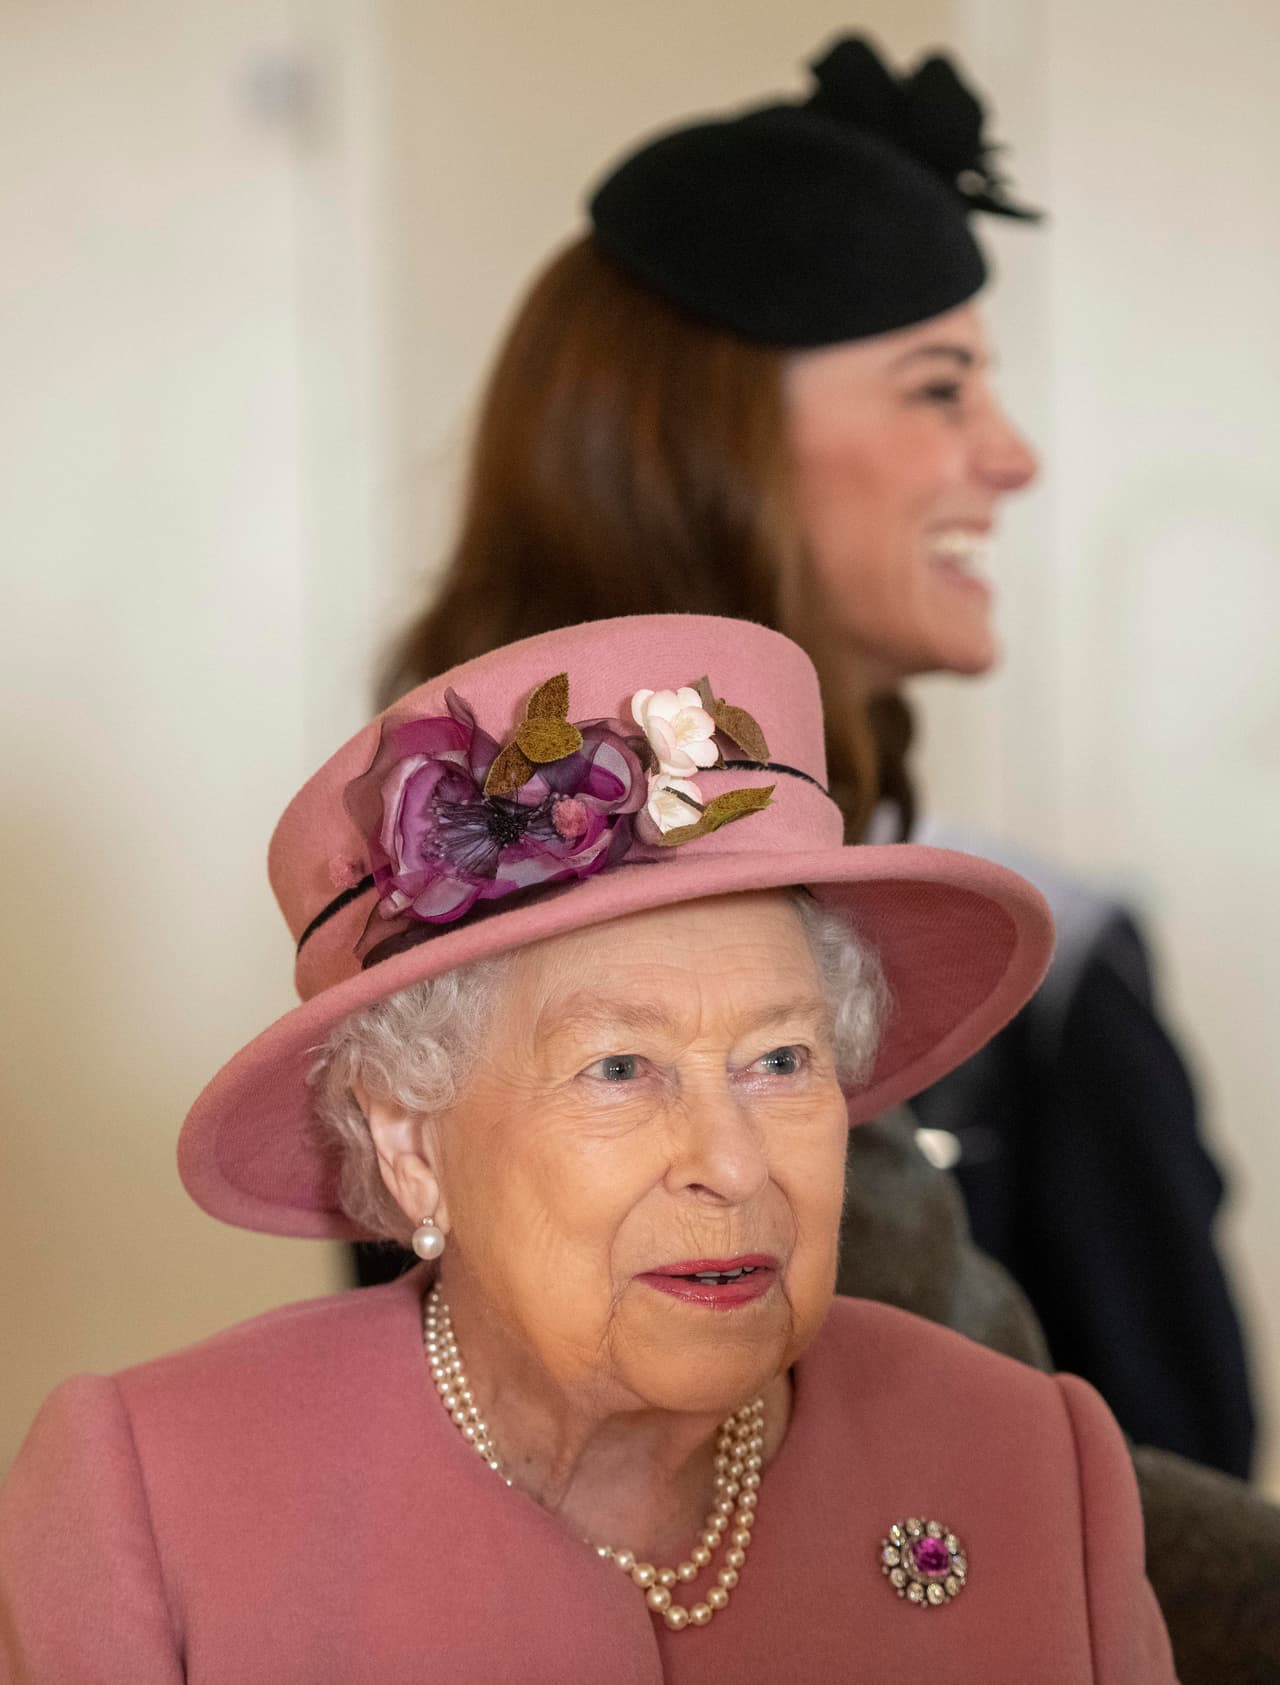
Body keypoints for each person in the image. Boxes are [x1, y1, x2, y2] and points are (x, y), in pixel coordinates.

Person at [381, 33, 1255, 1481]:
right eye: (936, 387)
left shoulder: (1059, 977)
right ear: (716, 443)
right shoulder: (428, 920)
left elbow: (1175, 1491)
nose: (1014, 456)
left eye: (788, 1057)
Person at [0, 614, 1176, 1680]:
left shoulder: (1031, 1461)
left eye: (778, 1060)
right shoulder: (151, 1503)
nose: (731, 1160)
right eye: (619, 1069)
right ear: (409, 1137)